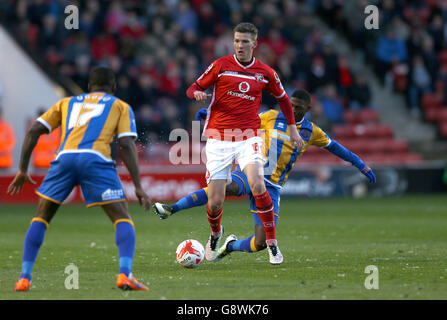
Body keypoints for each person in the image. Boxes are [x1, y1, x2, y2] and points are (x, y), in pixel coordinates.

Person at [154, 89, 376, 261]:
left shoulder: (311, 132)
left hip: (273, 187)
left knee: (259, 243)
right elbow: (239, 120)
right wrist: (211, 116)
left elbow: (336, 148)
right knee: (223, 188)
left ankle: (229, 246)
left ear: (307, 109)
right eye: (290, 104)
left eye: (298, 107)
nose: (293, 109)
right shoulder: (269, 117)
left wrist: (360, 164)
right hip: (252, 172)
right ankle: (173, 208)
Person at [7, 67, 151, 292]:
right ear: (113, 88)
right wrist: (138, 186)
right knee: (122, 217)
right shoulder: (119, 105)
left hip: (64, 159)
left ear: (88, 87)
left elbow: (34, 130)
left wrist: (23, 169)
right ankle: (125, 274)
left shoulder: (66, 103)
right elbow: (126, 144)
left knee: (42, 217)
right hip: (95, 159)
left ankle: (24, 278)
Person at [183, 22, 304, 265]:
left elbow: (284, 100)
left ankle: (272, 244)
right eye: (237, 41)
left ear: (254, 44)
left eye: (245, 41)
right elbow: (192, 88)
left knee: (258, 184)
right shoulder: (220, 65)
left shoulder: (265, 72)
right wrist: (196, 94)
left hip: (249, 136)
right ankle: (216, 234)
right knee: (215, 200)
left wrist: (292, 128)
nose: (240, 45)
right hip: (218, 137)